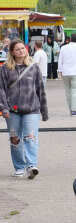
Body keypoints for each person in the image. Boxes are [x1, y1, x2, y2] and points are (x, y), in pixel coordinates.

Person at [0, 39, 48, 179]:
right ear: (12, 52)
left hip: (31, 108)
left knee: (31, 137)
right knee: (15, 139)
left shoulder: (33, 67)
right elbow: (1, 90)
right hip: (12, 109)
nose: (21, 51)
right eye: (18, 49)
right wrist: (4, 108)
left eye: (23, 48)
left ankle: (31, 166)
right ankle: (19, 166)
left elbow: (41, 90)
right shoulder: (5, 68)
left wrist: (44, 111)